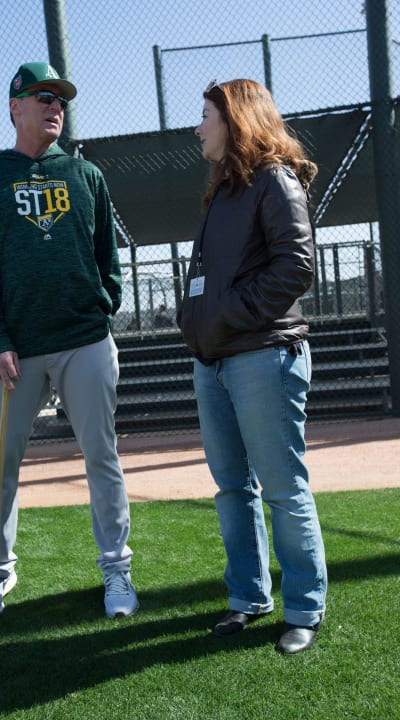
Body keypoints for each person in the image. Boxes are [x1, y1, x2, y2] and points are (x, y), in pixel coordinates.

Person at [0, 62, 139, 621]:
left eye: (60, 99)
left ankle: (117, 570)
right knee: (0, 464)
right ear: (14, 107)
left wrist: (102, 308)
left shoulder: (87, 177)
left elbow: (110, 258)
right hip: (14, 352)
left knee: (101, 458)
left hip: (84, 341)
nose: (54, 106)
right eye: (42, 97)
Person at [177, 78, 327, 654]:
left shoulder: (275, 180)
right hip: (213, 360)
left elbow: (295, 268)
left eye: (206, 115)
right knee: (231, 488)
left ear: (236, 119)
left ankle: (305, 609)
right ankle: (248, 597)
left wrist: (223, 316)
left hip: (263, 355)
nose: (198, 128)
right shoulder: (221, 189)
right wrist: (203, 325)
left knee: (283, 490)